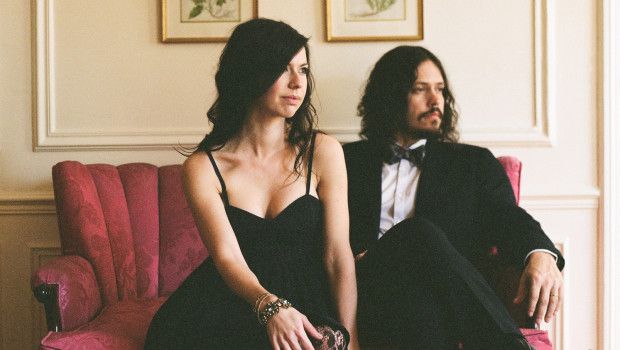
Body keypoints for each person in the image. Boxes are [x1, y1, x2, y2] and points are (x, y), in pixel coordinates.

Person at [145, 18, 359, 350]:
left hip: (306, 296)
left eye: (303, 70)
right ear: (249, 73)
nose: (296, 83)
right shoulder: (203, 168)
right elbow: (227, 256)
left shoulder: (322, 152)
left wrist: (350, 337)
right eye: (283, 69)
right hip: (231, 301)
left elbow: (337, 255)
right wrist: (270, 307)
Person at [344, 46, 564, 349]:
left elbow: (508, 218)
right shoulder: (343, 161)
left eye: (440, 91)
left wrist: (540, 254)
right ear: (390, 95)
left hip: (437, 304)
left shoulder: (472, 164)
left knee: (420, 280)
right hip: (364, 293)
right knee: (417, 233)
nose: (436, 101)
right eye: (421, 90)